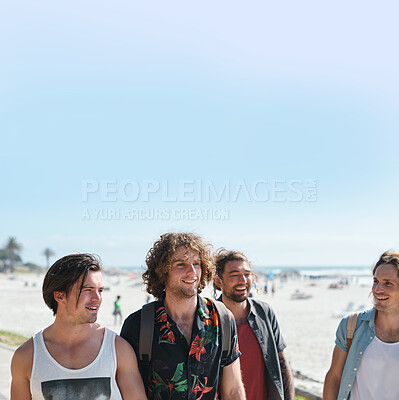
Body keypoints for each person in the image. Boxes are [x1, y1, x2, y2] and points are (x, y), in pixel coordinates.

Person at [121, 232, 246, 400]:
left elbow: (233, 391)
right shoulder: (138, 325)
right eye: (181, 264)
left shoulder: (222, 319)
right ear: (162, 271)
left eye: (196, 263)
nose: (192, 271)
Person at [10, 253, 147, 400]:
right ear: (60, 296)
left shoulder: (118, 349)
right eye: (87, 290)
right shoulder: (27, 356)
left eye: (100, 290)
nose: (97, 298)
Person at [214, 249, 295, 400]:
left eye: (247, 274)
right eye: (234, 275)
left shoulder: (265, 312)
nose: (243, 280)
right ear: (219, 281)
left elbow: (282, 363)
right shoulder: (209, 319)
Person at [324, 251, 399, 399]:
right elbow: (334, 377)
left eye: (388, 283)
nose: (377, 290)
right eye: (375, 281)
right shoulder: (351, 326)